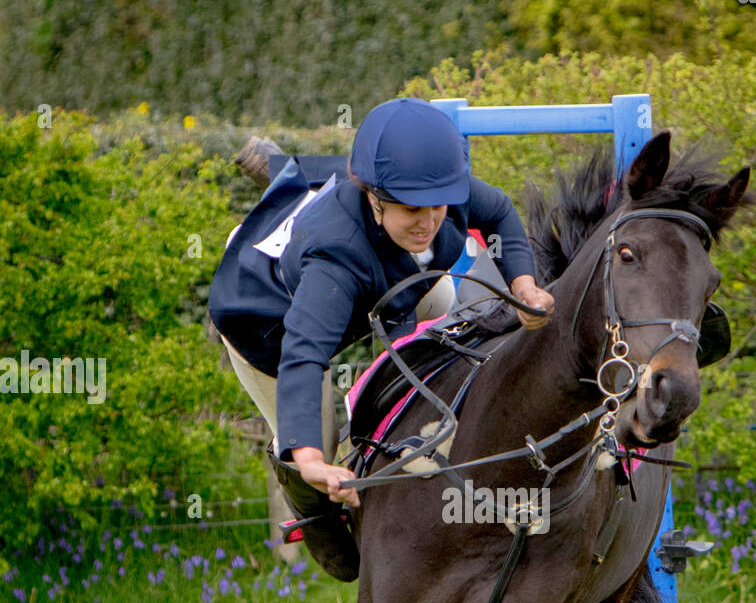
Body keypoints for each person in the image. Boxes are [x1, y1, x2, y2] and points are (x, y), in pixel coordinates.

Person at [211, 98, 554, 578]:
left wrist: (525, 287)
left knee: (435, 293)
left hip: (358, 267)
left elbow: (499, 214)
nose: (428, 221)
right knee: (318, 436)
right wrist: (310, 459)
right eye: (411, 208)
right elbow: (304, 352)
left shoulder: (438, 197)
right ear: (374, 199)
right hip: (267, 320)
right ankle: (317, 518)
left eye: (437, 206)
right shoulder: (337, 255)